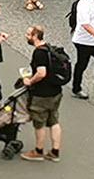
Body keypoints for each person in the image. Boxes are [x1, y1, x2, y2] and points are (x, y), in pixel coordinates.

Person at [19, 24, 63, 162]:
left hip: (42, 94)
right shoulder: (50, 48)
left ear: (35, 36)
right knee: (54, 121)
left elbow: (41, 73)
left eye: (28, 34)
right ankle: (55, 151)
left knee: (39, 123)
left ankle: (38, 151)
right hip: (56, 91)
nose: (26, 36)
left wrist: (30, 81)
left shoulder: (39, 53)